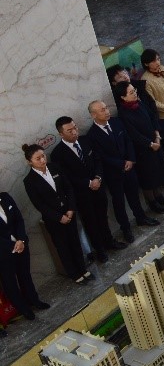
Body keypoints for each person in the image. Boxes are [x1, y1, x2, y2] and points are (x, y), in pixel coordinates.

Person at [82, 99, 161, 241]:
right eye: (102, 110)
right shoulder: (92, 135)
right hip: (113, 173)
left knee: (134, 195)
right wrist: (121, 163)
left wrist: (131, 159)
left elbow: (128, 141)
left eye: (106, 108)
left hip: (129, 167)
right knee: (119, 202)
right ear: (93, 115)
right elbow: (101, 156)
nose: (107, 111)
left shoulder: (116, 122)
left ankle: (141, 217)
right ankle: (126, 229)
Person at [49, 115, 119, 260]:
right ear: (61, 134)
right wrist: (88, 183)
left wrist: (98, 178)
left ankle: (109, 241)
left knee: (103, 217)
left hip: (98, 187)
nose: (74, 132)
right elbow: (66, 177)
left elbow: (97, 160)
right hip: (82, 194)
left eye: (75, 128)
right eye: (69, 131)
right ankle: (99, 250)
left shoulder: (86, 140)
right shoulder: (57, 154)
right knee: (90, 222)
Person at [22, 144, 92, 284]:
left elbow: (68, 188)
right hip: (54, 219)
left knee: (75, 241)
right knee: (63, 246)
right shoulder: (29, 181)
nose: (42, 160)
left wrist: (71, 208)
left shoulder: (54, 167)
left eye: (43, 156)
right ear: (30, 162)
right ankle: (74, 274)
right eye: (38, 158)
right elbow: (39, 204)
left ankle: (83, 269)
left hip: (69, 212)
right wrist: (59, 217)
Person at [111, 81, 164, 211]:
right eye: (131, 92)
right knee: (148, 177)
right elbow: (133, 134)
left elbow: (152, 118)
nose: (135, 93)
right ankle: (152, 202)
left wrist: (157, 135)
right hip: (142, 150)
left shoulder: (139, 103)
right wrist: (150, 144)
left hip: (155, 142)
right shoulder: (123, 113)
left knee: (158, 171)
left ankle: (159, 196)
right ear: (123, 97)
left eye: (134, 90)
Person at [0, 189, 49, 320]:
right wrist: (12, 245)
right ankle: (23, 309)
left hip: (21, 244)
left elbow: (18, 220)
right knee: (10, 282)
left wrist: (21, 240)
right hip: (3, 252)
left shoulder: (5, 197)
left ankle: (34, 300)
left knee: (25, 275)